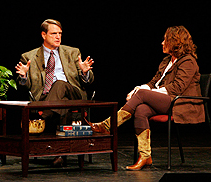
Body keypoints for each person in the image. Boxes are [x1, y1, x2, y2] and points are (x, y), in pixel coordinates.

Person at [86, 25, 205, 170]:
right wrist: (138, 89)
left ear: (175, 42)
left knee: (141, 95)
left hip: (180, 103)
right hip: (167, 100)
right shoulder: (166, 61)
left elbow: (177, 88)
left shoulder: (188, 61)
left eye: (165, 40)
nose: (162, 43)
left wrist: (141, 93)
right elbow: (153, 82)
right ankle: (145, 156)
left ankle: (107, 125)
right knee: (141, 109)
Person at [15, 19, 94, 166]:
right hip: (46, 97)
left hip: (73, 92)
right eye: (53, 34)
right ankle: (60, 155)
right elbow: (25, 87)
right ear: (44, 35)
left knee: (59, 85)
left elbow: (88, 82)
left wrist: (84, 73)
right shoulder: (29, 57)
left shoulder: (73, 52)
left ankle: (43, 116)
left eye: (60, 34)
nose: (58, 37)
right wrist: (24, 76)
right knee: (63, 105)